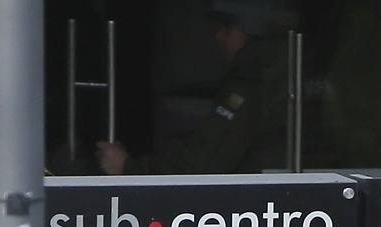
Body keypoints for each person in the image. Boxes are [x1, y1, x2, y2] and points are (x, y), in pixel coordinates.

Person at [95, 0, 288, 176]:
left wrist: (127, 167)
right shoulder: (286, 71)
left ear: (249, 32)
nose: (219, 36)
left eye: (227, 28)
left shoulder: (252, 82)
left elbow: (203, 164)